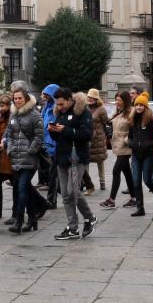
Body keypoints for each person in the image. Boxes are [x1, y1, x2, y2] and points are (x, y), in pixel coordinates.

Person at [49, 88, 97, 240]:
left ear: (70, 100)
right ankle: (72, 228)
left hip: (76, 158)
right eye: (57, 104)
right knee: (65, 194)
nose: (59, 107)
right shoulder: (60, 113)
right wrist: (53, 130)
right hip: (62, 158)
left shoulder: (83, 111)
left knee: (73, 191)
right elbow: (58, 137)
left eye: (62, 104)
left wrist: (65, 130)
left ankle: (90, 217)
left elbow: (87, 134)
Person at [2, 89, 43, 233]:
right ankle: (32, 219)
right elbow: (10, 135)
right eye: (15, 98)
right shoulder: (13, 114)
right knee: (24, 189)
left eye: (20, 98)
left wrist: (30, 151)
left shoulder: (35, 115)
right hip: (16, 158)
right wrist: (10, 149)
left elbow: (39, 137)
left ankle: (18, 222)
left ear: (26, 99)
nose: (17, 101)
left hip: (29, 159)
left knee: (21, 189)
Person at [127, 92, 153, 217]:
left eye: (141, 105)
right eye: (137, 105)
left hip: (148, 155)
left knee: (148, 181)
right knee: (136, 182)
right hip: (136, 155)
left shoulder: (152, 121)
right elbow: (130, 137)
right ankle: (140, 207)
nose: (139, 107)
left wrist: (149, 144)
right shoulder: (132, 120)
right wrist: (131, 144)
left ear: (145, 107)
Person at [100, 91, 137, 209]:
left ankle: (111, 200)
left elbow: (134, 130)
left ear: (125, 101)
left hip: (126, 147)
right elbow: (111, 124)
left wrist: (127, 140)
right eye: (116, 100)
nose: (117, 102)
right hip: (118, 145)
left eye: (119, 100)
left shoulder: (131, 112)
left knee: (116, 171)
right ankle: (134, 198)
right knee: (127, 173)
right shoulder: (118, 112)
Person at [83, 88, 108, 195]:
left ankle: (102, 182)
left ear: (97, 99)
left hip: (98, 138)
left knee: (100, 160)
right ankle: (87, 183)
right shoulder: (85, 108)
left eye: (92, 98)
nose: (90, 99)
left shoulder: (101, 109)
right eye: (89, 97)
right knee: (86, 160)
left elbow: (105, 122)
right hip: (87, 138)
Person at [40, 84, 60, 207]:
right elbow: (42, 122)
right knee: (50, 173)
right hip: (46, 143)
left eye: (47, 95)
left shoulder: (56, 108)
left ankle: (52, 200)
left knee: (53, 173)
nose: (45, 97)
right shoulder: (46, 107)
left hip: (55, 144)